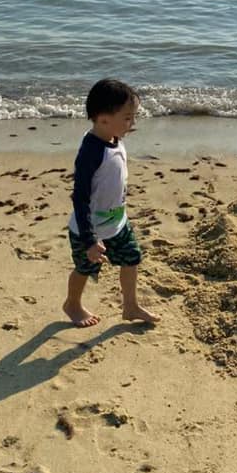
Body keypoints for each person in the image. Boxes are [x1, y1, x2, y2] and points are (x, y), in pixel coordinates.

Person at [63, 78, 160, 328]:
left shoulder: (114, 138)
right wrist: (89, 239)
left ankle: (130, 306)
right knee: (83, 269)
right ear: (104, 119)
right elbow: (81, 198)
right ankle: (72, 303)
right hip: (89, 230)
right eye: (127, 118)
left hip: (117, 223)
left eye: (133, 116)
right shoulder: (91, 152)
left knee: (132, 258)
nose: (132, 123)